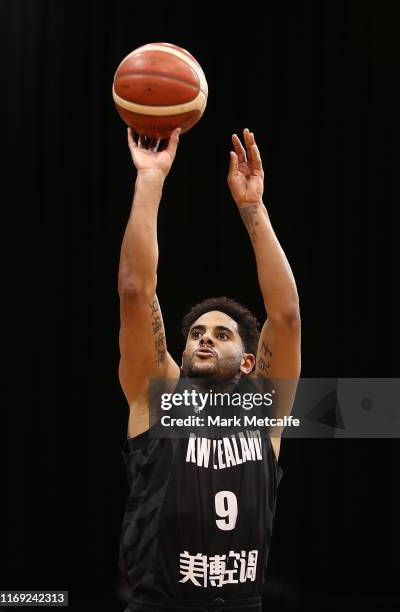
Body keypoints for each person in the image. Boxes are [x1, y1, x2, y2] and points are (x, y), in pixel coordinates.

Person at [117, 126, 301, 612]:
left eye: (221, 334)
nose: (204, 338)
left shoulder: (263, 406)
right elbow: (136, 290)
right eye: (196, 333)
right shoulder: (156, 396)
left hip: (241, 604)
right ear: (179, 353)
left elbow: (285, 317)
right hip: (160, 605)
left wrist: (252, 208)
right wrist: (151, 178)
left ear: (247, 359)